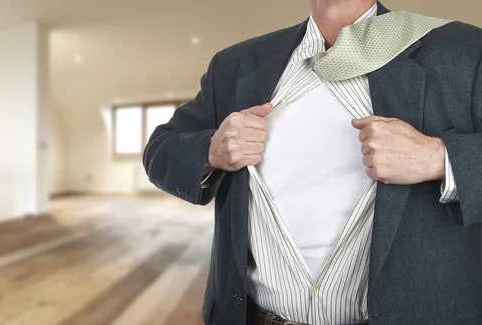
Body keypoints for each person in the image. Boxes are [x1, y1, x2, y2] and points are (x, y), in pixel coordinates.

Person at [143, 0, 482, 324]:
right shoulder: (236, 65)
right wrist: (212, 150)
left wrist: (438, 157)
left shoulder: (465, 53)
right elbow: (159, 150)